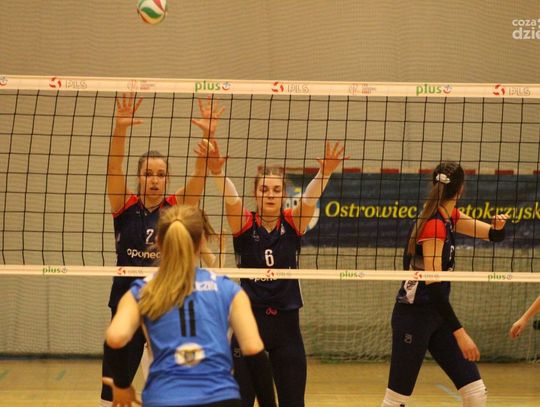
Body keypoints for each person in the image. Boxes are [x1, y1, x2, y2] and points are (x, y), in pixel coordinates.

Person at [101, 93, 225, 406]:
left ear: (167, 179)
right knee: (115, 384)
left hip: (165, 301)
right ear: (139, 177)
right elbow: (113, 166)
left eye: (160, 175)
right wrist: (120, 129)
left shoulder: (176, 206)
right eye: (148, 174)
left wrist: (209, 134)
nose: (155, 180)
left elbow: (198, 176)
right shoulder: (124, 204)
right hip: (126, 299)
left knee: (171, 383)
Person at [209, 140, 347, 407]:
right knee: (240, 401)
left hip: (287, 328)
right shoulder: (244, 223)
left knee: (292, 401)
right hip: (249, 323)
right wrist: (217, 172)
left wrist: (325, 173)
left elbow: (309, 199)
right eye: (264, 189)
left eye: (276, 190)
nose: (270, 195)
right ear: (255, 194)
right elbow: (231, 198)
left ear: (284, 195)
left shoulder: (293, 222)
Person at [103, 205, 276, 407]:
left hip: (165, 398)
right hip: (220, 398)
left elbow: (115, 338)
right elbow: (254, 350)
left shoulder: (143, 291)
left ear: (158, 242)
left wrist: (122, 385)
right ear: (202, 241)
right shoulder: (228, 289)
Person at [381, 161, 508, 407]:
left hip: (437, 316)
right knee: (396, 401)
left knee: (475, 393)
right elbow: (434, 287)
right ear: (461, 189)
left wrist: (499, 227)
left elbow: (492, 235)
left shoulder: (450, 217)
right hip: (414, 317)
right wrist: (460, 333)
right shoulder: (434, 225)